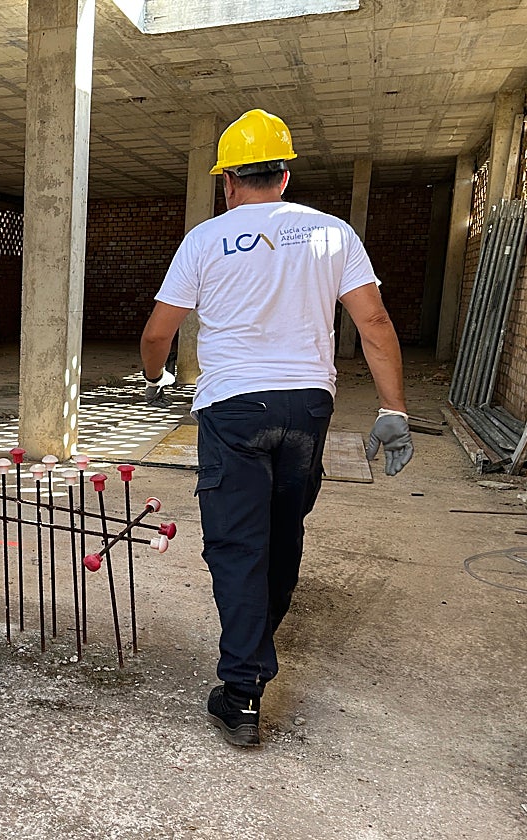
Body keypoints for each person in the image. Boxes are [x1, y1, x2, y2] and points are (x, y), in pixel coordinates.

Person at [138, 108, 413, 747]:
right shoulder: (333, 234)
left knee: (237, 546)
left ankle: (241, 694)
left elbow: (159, 333)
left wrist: (156, 377)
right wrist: (393, 410)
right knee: (283, 533)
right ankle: (256, 646)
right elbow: (373, 324)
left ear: (229, 181)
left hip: (234, 409)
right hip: (307, 409)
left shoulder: (205, 239)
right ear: (284, 175)